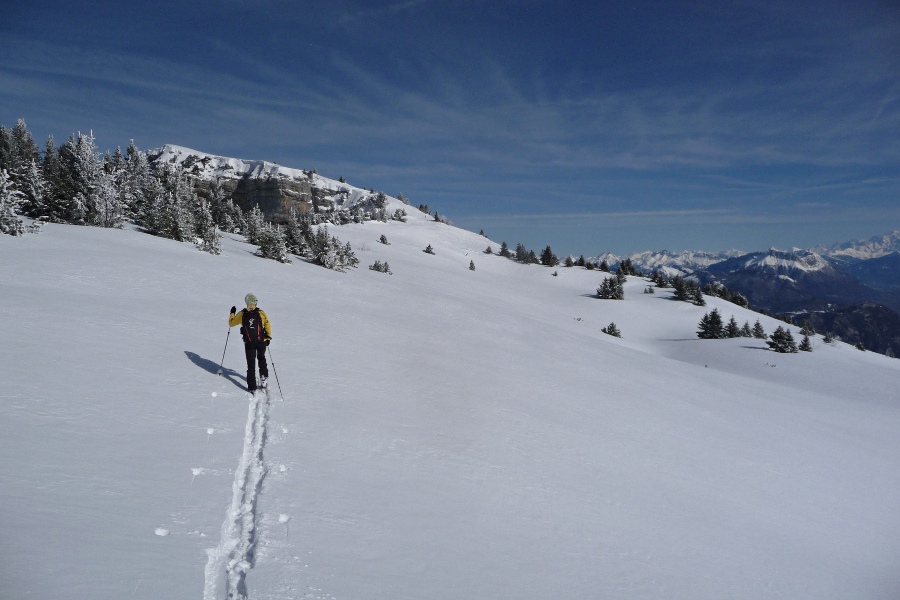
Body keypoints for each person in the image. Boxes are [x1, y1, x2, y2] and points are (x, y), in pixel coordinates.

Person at [229, 293, 272, 392]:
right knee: (262, 358)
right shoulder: (261, 313)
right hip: (261, 341)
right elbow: (267, 324)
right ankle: (263, 379)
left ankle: (252, 387)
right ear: (255, 302)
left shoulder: (242, 314)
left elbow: (231, 323)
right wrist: (268, 337)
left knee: (251, 364)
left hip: (249, 343)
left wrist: (232, 313)